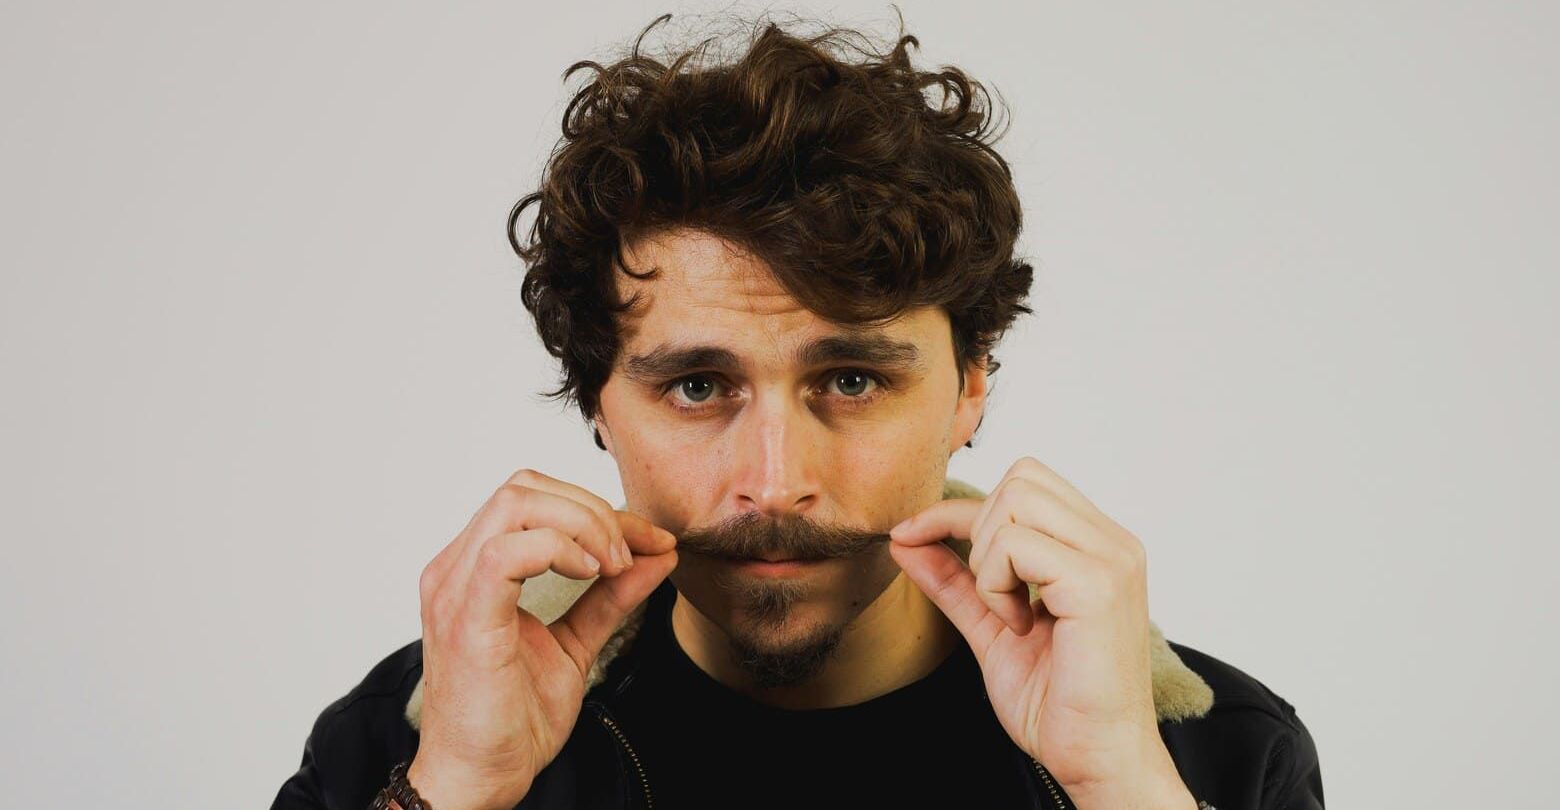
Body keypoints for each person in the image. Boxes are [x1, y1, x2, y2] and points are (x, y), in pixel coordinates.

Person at [271, 12, 1323, 810]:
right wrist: (456, 783)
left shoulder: (1206, 755)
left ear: (971, 386)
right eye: (697, 386)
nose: (775, 480)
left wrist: (1120, 785)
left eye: (853, 380)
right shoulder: (411, 742)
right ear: (596, 398)